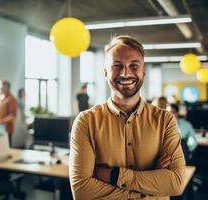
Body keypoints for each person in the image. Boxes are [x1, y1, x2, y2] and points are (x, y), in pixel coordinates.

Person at [69, 35, 185, 199]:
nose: (125, 73)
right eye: (117, 65)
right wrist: (151, 183)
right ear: (105, 72)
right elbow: (82, 191)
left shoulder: (165, 120)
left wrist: (113, 176)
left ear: (143, 72)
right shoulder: (86, 121)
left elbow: (176, 183)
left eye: (134, 65)